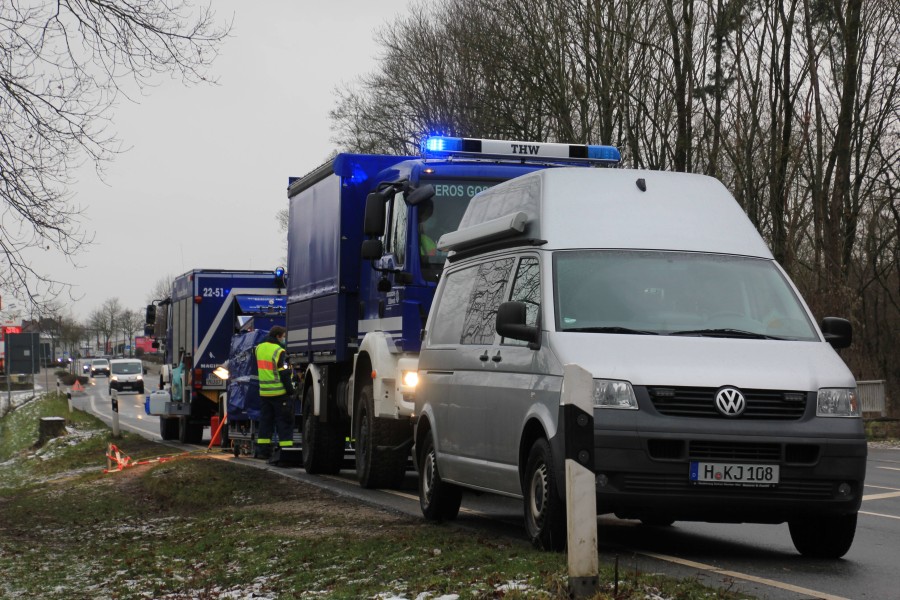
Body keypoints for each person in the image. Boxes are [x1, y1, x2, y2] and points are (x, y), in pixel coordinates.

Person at [255, 325, 294, 466]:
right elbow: (284, 373)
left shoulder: (259, 348)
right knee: (284, 423)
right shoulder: (279, 351)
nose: (284, 339)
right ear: (278, 336)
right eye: (283, 336)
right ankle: (285, 452)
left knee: (265, 422)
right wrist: (290, 390)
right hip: (279, 393)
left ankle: (262, 451)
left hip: (264, 393)